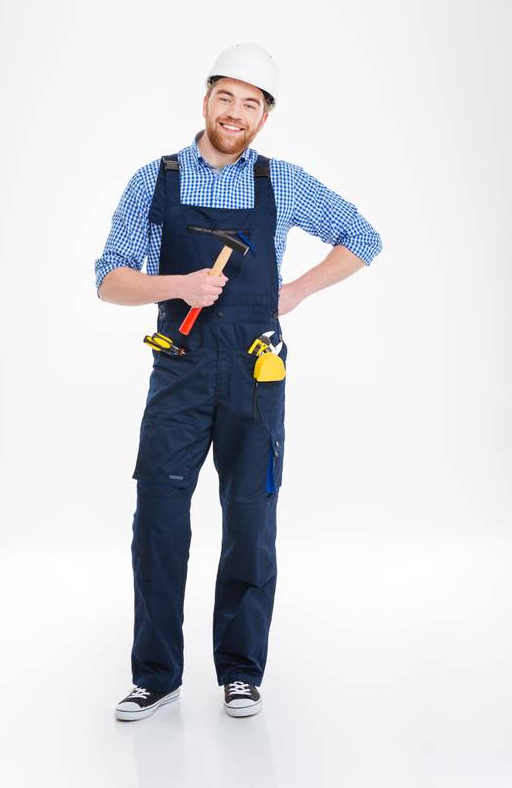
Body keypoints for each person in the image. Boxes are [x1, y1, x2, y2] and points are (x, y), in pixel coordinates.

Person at [95, 42, 382, 721]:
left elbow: (362, 237)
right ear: (205, 100)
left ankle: (240, 673)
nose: (235, 112)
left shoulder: (282, 181)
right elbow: (109, 279)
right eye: (225, 96)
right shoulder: (156, 179)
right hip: (180, 370)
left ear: (263, 116)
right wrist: (179, 285)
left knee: (251, 520)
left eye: (250, 103)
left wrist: (296, 290)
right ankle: (155, 676)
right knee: (158, 519)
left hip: (256, 372)